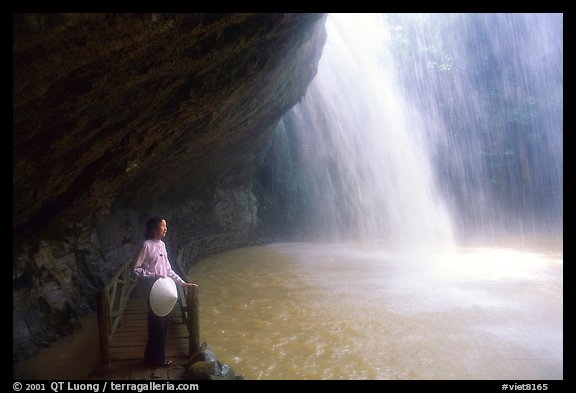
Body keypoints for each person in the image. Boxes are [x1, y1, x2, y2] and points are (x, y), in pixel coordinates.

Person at [133, 217, 197, 367]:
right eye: (163, 226)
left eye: (166, 226)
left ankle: (151, 357)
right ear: (154, 229)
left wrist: (183, 283)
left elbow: (168, 270)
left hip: (165, 288)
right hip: (152, 288)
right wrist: (152, 275)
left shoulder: (162, 245)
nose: (165, 229)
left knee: (162, 324)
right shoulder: (146, 246)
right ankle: (158, 360)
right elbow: (135, 268)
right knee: (157, 325)